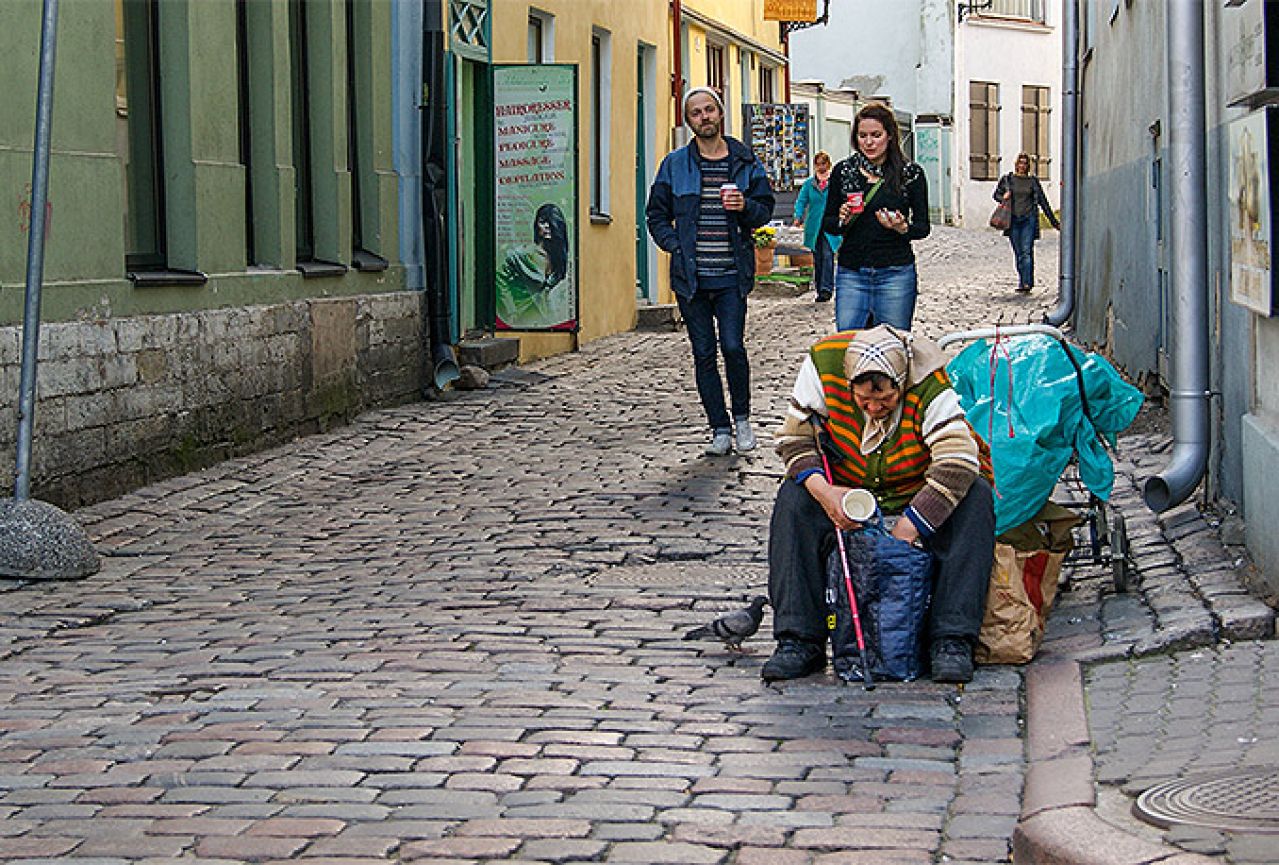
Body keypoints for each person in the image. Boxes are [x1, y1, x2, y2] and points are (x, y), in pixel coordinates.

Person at [763, 324, 995, 684]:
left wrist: (911, 525)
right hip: (845, 489)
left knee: (976, 497)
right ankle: (799, 639)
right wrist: (826, 495)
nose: (873, 407)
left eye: (884, 399)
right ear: (849, 383)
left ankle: (952, 639)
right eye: (864, 399)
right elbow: (794, 440)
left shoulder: (928, 383)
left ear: (900, 385)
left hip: (915, 490)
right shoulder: (823, 366)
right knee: (793, 499)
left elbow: (957, 462)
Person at [646, 86, 775, 456]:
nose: (704, 117)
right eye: (696, 113)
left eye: (709, 110)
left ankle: (743, 420)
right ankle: (719, 428)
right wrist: (675, 245)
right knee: (703, 352)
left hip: (732, 274)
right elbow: (656, 215)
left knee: (733, 346)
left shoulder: (745, 160)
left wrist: (744, 206)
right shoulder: (675, 164)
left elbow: (764, 209)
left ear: (720, 114)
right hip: (692, 279)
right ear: (688, 122)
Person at [821, 103, 930, 331]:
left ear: (889, 136)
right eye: (862, 136)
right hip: (852, 272)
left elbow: (922, 227)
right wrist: (842, 218)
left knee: (892, 348)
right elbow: (829, 224)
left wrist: (902, 228)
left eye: (876, 135)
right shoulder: (844, 171)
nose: (869, 142)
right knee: (849, 347)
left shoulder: (910, 174)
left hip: (895, 272)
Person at [495, 203, 573, 329]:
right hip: (522, 316)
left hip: (547, 317)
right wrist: (511, 310)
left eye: (551, 222)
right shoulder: (521, 255)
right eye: (543, 222)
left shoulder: (558, 256)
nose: (547, 227)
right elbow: (499, 278)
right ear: (536, 225)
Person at [993, 153, 1060, 293]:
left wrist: (1053, 221)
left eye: (1025, 163)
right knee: (1018, 253)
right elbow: (996, 195)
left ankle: (1027, 283)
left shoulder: (1032, 182)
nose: (1022, 166)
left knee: (1026, 251)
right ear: (1016, 164)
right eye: (1020, 163)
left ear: (1028, 166)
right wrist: (1003, 197)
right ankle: (1022, 280)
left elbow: (1043, 201)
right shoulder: (1008, 180)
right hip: (1013, 220)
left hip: (1028, 219)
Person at [792, 151, 841, 303]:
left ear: (828, 164)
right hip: (814, 225)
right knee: (817, 258)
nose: (820, 167)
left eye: (823, 164)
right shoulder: (810, 184)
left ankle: (827, 289)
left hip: (830, 224)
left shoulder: (835, 182)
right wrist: (798, 216)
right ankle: (819, 287)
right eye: (818, 164)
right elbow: (801, 201)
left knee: (827, 255)